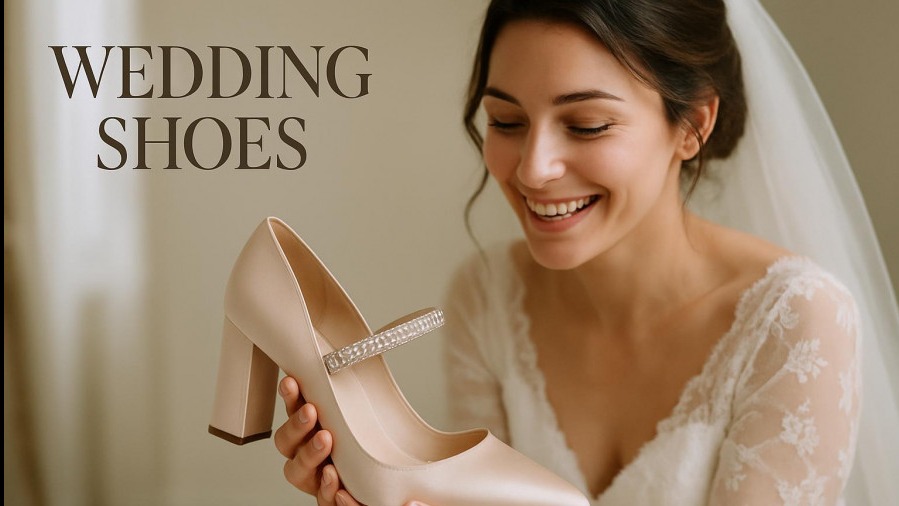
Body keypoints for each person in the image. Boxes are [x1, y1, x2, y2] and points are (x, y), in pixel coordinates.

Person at [272, 0, 899, 504]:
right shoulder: (486, 298)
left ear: (692, 125)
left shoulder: (795, 320)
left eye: (587, 125)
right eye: (506, 121)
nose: (533, 169)